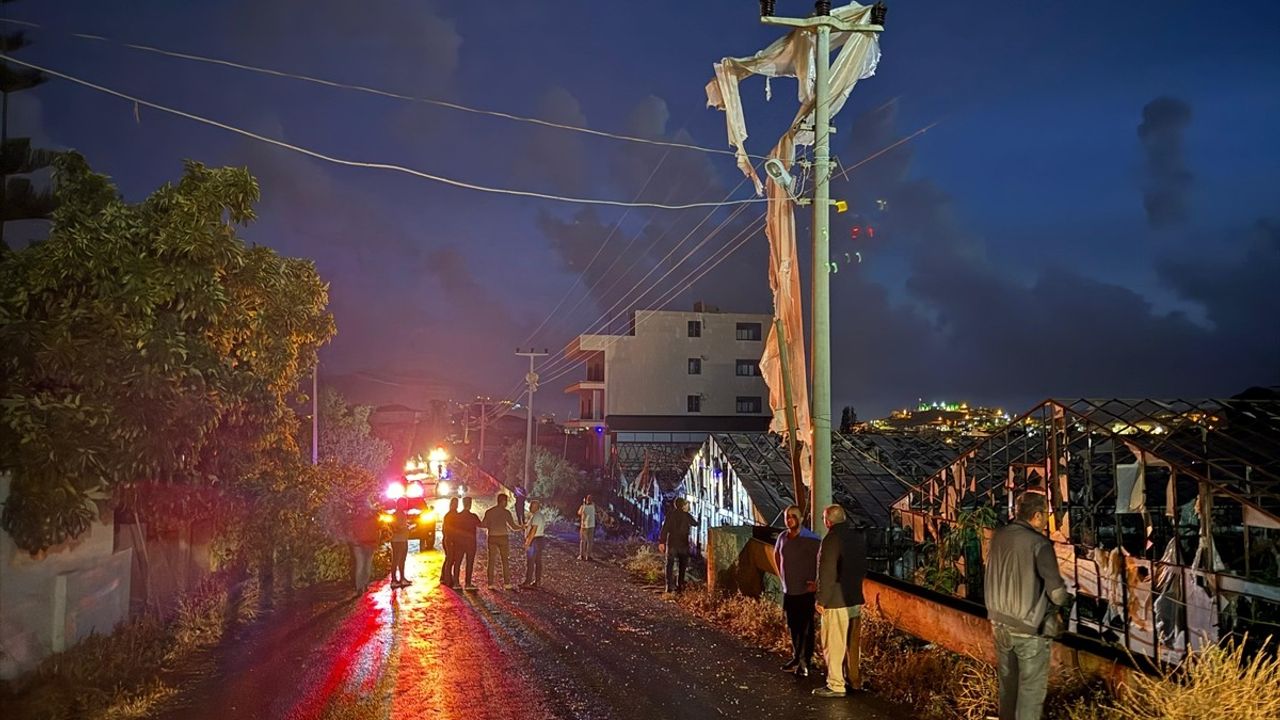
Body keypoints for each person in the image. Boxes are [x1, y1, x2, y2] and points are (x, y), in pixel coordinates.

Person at [984, 491, 1072, 720]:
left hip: (998, 623)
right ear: (1036, 515)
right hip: (1028, 630)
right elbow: (1057, 593)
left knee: (1008, 689)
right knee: (1030, 694)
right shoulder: (1039, 543)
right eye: (1046, 515)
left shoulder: (999, 536)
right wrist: (1067, 598)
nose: (1046, 521)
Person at [813, 504, 867, 698]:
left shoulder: (831, 540)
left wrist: (821, 599)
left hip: (836, 600)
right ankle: (855, 680)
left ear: (828, 521)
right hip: (855, 598)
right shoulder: (857, 538)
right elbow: (863, 567)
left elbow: (826, 572)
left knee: (834, 643)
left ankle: (836, 684)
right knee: (853, 645)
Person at [774, 505, 820, 677]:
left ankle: (805, 661)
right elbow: (776, 554)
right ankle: (796, 656)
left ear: (801, 518)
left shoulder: (812, 539)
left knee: (806, 627)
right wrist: (782, 577)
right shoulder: (783, 537)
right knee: (793, 625)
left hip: (805, 591)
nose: (789, 519)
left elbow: (821, 562)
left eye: (793, 516)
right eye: (787, 517)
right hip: (790, 590)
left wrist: (816, 582)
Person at [658, 498, 698, 592]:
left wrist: (662, 542)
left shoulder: (670, 515)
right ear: (683, 505)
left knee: (669, 565)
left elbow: (665, 529)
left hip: (672, 543)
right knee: (682, 566)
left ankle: (668, 586)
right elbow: (695, 523)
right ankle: (680, 586)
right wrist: (689, 511)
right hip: (683, 544)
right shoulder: (687, 515)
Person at [483, 493, 523, 589]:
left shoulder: (489, 512)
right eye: (506, 501)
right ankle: (507, 583)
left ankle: (490, 583)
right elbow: (513, 526)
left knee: (491, 561)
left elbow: (484, 524)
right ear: (503, 501)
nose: (507, 504)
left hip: (492, 537)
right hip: (503, 537)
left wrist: (490, 526)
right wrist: (521, 527)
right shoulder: (506, 513)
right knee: (505, 560)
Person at [348, 496, 382, 596]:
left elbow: (378, 530)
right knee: (361, 565)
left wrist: (376, 542)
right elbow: (351, 532)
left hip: (370, 544)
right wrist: (354, 541)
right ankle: (359, 587)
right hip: (358, 545)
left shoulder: (374, 518)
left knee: (367, 566)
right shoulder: (356, 518)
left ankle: (364, 584)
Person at [456, 497, 483, 590]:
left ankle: (456, 582)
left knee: (458, 562)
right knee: (469, 562)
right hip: (470, 543)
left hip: (459, 542)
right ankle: (468, 583)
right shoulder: (473, 516)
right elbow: (481, 525)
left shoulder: (458, 516)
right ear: (470, 504)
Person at [522, 499, 549, 588]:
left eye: (531, 506)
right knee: (538, 561)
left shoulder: (536, 516)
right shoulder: (539, 516)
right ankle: (537, 581)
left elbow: (534, 530)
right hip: (540, 539)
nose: (529, 507)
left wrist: (528, 542)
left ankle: (527, 582)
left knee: (531, 561)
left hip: (535, 540)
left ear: (535, 507)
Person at [389, 497, 413, 588]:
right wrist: (406, 528)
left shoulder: (402, 514)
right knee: (396, 559)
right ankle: (394, 580)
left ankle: (402, 578)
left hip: (403, 539)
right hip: (398, 540)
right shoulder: (396, 515)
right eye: (404, 503)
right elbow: (395, 528)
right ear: (399, 504)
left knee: (402, 559)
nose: (405, 505)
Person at [440, 497, 461, 588]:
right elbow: (446, 529)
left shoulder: (453, 514)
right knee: (450, 559)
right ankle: (447, 579)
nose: (455, 506)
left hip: (452, 540)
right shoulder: (449, 515)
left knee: (450, 559)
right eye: (454, 504)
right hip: (449, 540)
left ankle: (444, 576)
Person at [577, 494, 597, 560]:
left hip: (584, 526)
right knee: (590, 541)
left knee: (583, 541)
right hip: (591, 525)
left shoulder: (583, 507)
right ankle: (588, 556)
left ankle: (581, 555)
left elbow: (579, 513)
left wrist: (583, 503)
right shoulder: (593, 507)